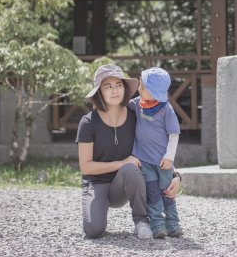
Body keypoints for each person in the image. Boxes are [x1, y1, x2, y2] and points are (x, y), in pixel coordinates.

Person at [76, 64, 181, 239]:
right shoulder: (88, 123)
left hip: (127, 182)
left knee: (130, 169)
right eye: (107, 86)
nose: (114, 90)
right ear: (99, 92)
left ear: (125, 88)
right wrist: (122, 162)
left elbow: (156, 144)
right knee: (93, 231)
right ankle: (98, 207)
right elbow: (86, 167)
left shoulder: (137, 114)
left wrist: (176, 175)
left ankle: (141, 220)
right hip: (97, 183)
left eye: (118, 85)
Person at [130, 67, 183, 238]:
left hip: (163, 161)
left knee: (167, 193)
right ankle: (157, 225)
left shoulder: (166, 109)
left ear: (154, 92)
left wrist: (169, 157)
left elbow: (174, 135)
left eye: (143, 87)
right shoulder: (138, 104)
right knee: (152, 193)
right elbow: (122, 104)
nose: (139, 87)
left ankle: (173, 224)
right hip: (145, 161)